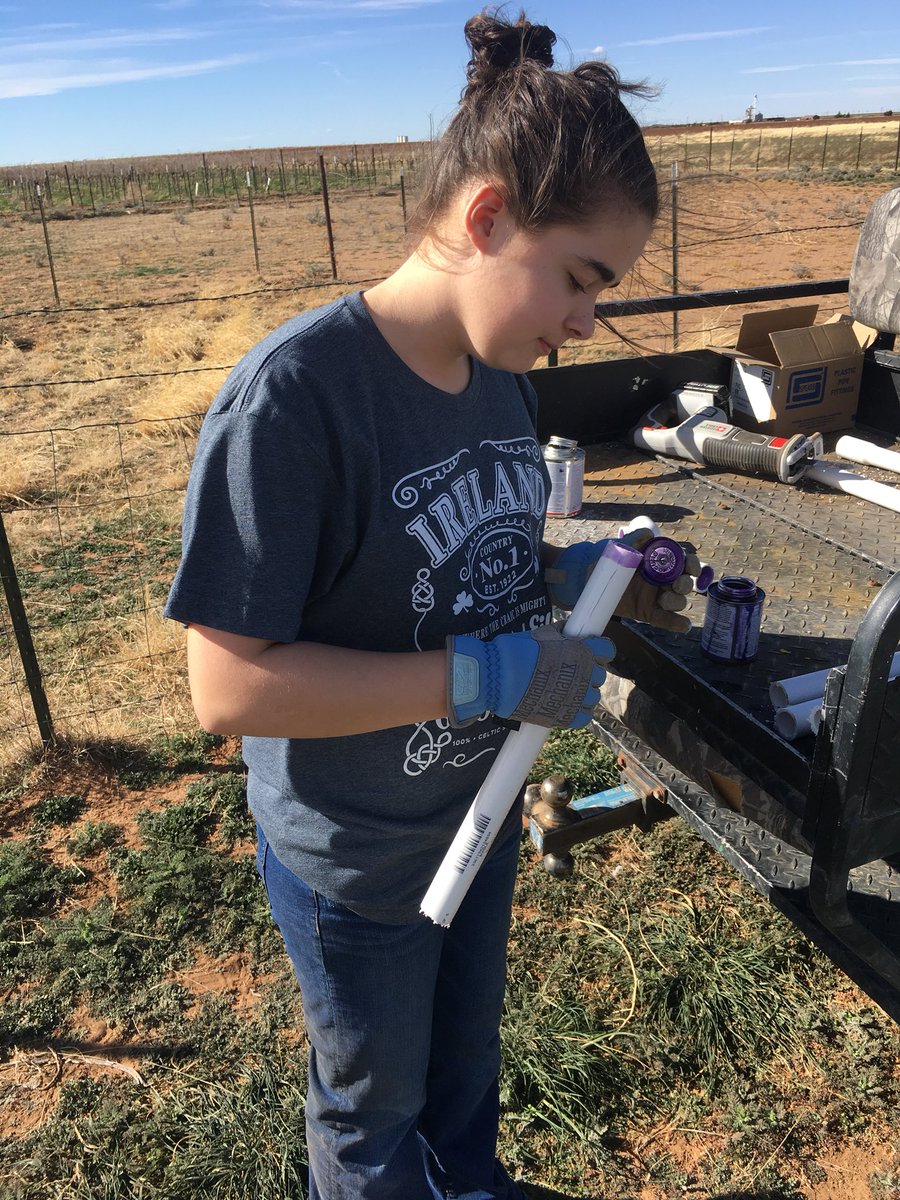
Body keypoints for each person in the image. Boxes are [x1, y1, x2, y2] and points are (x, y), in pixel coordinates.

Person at [165, 11, 692, 1198]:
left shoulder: (498, 383)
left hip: (483, 812)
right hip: (359, 862)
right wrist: (483, 675)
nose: (585, 322)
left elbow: (476, 562)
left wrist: (575, 587)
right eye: (580, 279)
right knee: (373, 1107)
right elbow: (227, 687)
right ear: (488, 216)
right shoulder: (296, 399)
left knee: (462, 1080)